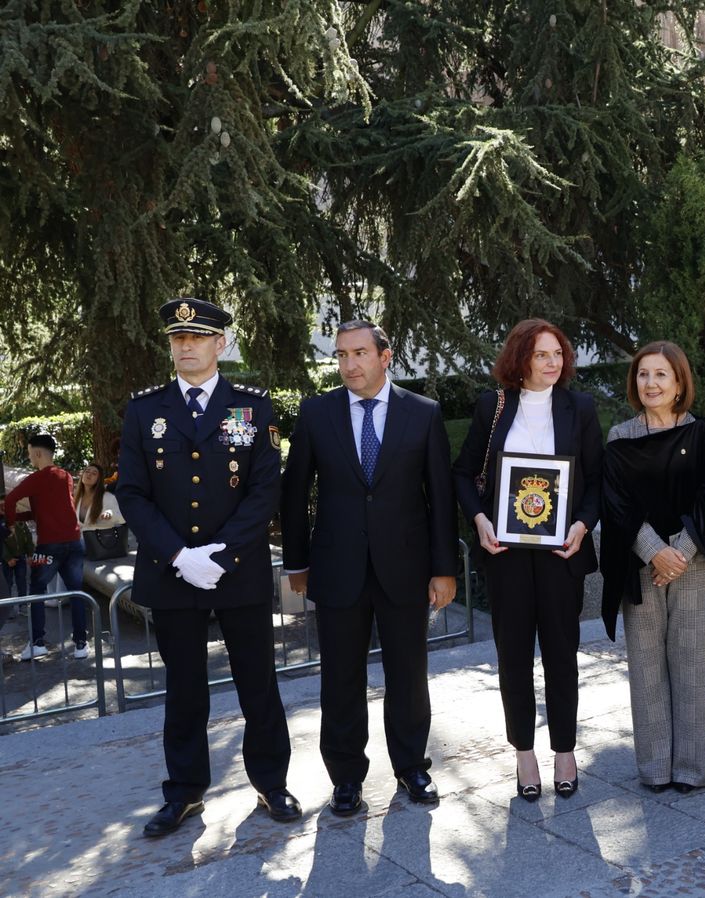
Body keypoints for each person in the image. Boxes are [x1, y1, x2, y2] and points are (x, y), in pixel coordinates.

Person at [116, 297, 299, 837]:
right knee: (185, 687)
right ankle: (185, 793)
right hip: (172, 572)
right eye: (178, 338)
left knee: (257, 682)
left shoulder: (252, 407)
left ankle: (270, 782)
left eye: (197, 338)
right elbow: (131, 491)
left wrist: (220, 555)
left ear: (221, 344)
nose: (186, 346)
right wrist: (180, 555)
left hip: (236, 571)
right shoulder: (144, 409)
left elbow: (266, 488)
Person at [280, 320, 457, 816]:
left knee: (408, 673)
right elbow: (295, 494)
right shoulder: (317, 414)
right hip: (337, 570)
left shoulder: (422, 414)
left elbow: (440, 498)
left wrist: (444, 569)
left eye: (359, 352)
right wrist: (297, 563)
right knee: (339, 678)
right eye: (341, 355)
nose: (349, 364)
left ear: (385, 355)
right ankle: (345, 778)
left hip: (405, 567)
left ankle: (411, 767)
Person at [452, 319, 600, 801]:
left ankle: (564, 751)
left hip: (562, 553)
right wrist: (479, 520)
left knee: (562, 656)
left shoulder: (579, 407)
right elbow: (463, 473)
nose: (553, 363)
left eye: (558, 354)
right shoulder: (493, 406)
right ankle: (523, 752)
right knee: (513, 656)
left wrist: (581, 525)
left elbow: (597, 482)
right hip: (507, 555)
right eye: (542, 355)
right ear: (520, 359)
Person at [600, 341, 705, 795]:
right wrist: (655, 551)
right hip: (640, 566)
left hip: (694, 565)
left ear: (679, 384)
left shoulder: (702, 434)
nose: (650, 383)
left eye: (661, 375)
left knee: (693, 665)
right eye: (643, 375)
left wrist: (680, 553)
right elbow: (616, 505)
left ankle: (695, 768)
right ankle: (655, 768)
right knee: (646, 668)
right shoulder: (620, 436)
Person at [3, 433, 89, 659]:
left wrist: (10, 524)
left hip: (48, 548)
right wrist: (22, 517)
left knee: (37, 590)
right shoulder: (66, 475)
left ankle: (38, 642)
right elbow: (51, 510)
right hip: (74, 543)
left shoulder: (37, 478)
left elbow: (10, 500)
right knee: (77, 591)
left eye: (30, 453)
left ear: (38, 453)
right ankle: (81, 644)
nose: (29, 457)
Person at [76, 462, 127, 558]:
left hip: (98, 542)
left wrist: (110, 513)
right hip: (80, 539)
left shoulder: (107, 497)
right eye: (87, 471)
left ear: (99, 480)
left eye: (94, 473)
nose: (89, 474)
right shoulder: (78, 497)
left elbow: (122, 518)